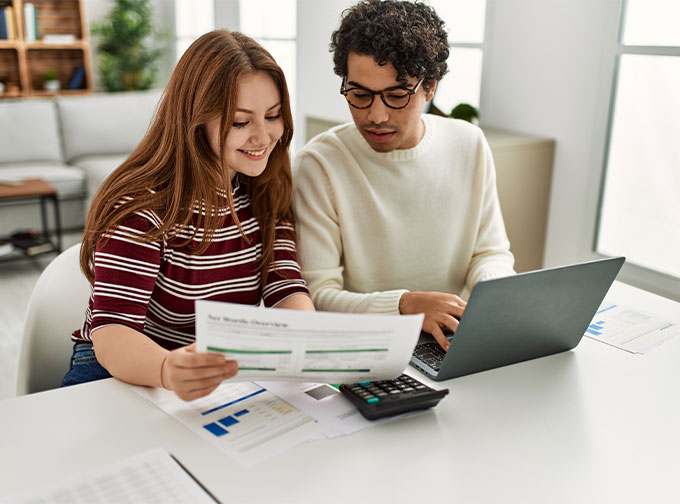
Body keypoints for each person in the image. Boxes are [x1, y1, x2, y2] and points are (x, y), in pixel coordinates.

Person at [62, 30, 314, 401]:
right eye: (241, 122)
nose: (263, 136)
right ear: (196, 121)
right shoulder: (143, 205)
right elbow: (113, 332)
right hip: (119, 364)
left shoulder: (264, 187)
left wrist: (311, 342)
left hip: (210, 368)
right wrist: (166, 369)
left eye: (273, 116)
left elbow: (284, 286)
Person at [292, 0, 515, 351]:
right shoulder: (319, 165)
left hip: (453, 340)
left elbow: (490, 254)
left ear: (430, 87)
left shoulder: (468, 144)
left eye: (396, 95)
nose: (376, 115)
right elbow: (318, 297)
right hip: (366, 347)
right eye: (359, 95)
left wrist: (489, 299)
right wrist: (404, 306)